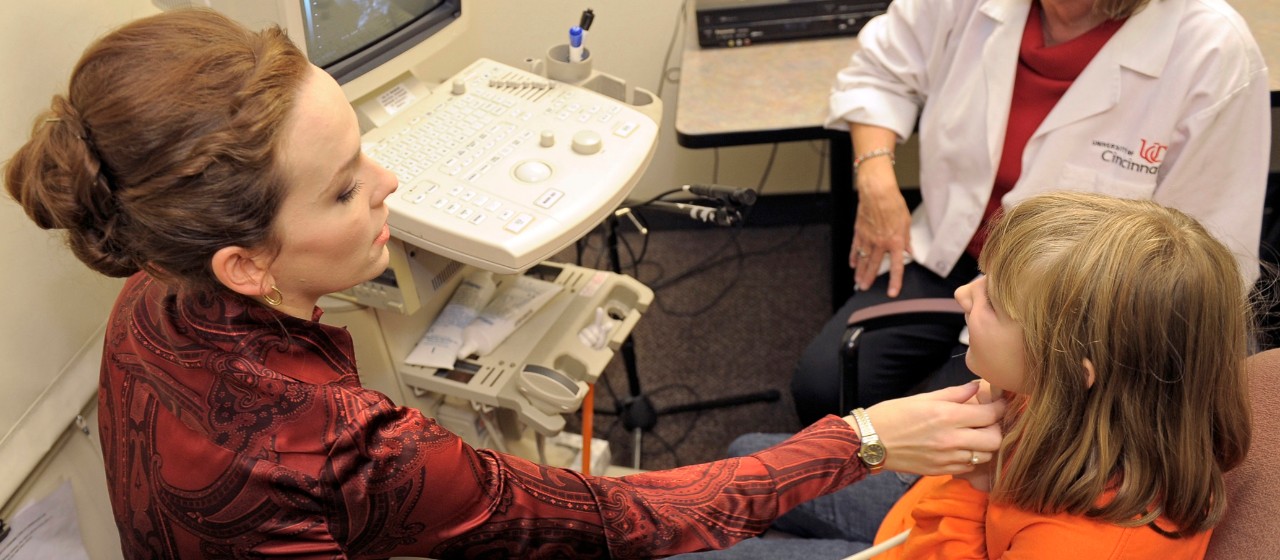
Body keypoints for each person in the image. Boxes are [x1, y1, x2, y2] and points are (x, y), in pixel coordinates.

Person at [3, 10, 1008, 559]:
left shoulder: (150, 294)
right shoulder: (341, 441)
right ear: (247, 262)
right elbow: (621, 521)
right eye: (348, 185)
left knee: (754, 455)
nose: (388, 180)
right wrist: (864, 435)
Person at [680, 191, 1254, 559]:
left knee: (688, 548)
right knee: (745, 453)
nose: (960, 294)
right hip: (947, 509)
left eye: (994, 303)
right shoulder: (1100, 406)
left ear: (1071, 370)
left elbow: (949, 537)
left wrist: (975, 483)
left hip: (938, 536)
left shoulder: (1079, 548)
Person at [791, 0, 1272, 424]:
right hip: (953, 247)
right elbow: (880, 73)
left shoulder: (1211, 50)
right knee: (825, 387)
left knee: (965, 433)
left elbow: (1204, 260)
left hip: (1078, 308)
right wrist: (875, 179)